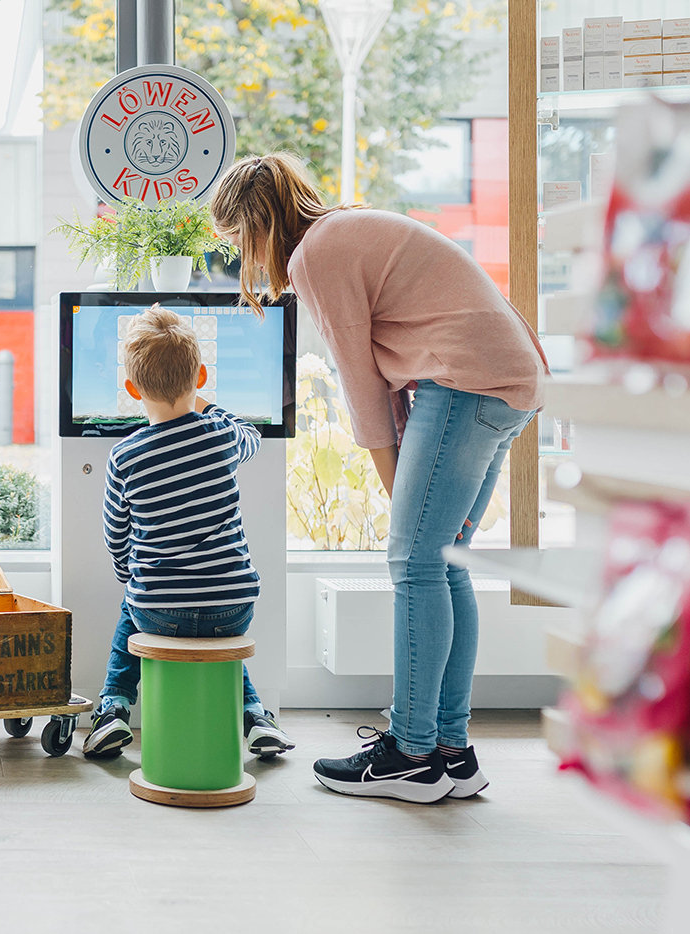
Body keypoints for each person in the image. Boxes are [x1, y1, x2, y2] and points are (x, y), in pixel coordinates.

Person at [211, 153, 548, 803]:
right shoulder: (349, 226)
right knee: (443, 563)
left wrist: (396, 490)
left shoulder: (315, 253)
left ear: (254, 226)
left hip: (465, 383)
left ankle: (410, 755)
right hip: (508, 383)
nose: (244, 261)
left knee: (415, 564)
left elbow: (361, 387)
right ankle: (450, 752)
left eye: (235, 244)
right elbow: (387, 380)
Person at [83, 306, 294, 760]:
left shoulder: (124, 456)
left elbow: (115, 535)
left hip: (159, 612)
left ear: (131, 389)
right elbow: (251, 434)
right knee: (221, 647)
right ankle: (256, 716)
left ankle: (112, 708)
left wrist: (127, 574)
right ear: (200, 377)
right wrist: (207, 406)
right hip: (233, 604)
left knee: (132, 603)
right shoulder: (220, 437)